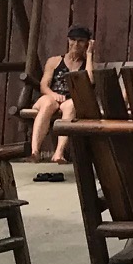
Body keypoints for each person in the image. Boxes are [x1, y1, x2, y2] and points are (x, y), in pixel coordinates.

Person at [29, 25, 94, 177]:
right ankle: (34, 151)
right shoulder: (55, 61)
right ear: (68, 41)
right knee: (47, 103)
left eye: (81, 41)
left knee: (71, 106)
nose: (76, 44)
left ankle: (58, 153)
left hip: (70, 100)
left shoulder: (88, 65)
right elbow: (43, 85)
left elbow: (90, 82)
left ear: (87, 43)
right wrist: (52, 94)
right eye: (73, 40)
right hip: (50, 97)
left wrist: (90, 55)